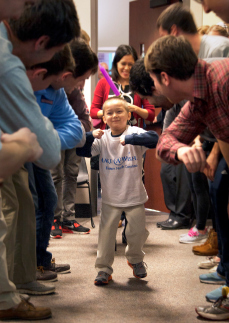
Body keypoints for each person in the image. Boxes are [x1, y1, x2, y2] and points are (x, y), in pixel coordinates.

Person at [145, 35, 229, 321]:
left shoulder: (223, 80)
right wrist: (181, 150)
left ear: (165, 77)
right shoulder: (196, 102)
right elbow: (164, 143)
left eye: (153, 81)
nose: (153, 88)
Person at [0, 0, 80, 298]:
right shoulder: (7, 62)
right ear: (43, 42)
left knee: (28, 202)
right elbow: (47, 152)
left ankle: (15, 284)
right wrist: (26, 142)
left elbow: (71, 131)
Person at [76, 97, 158, 285]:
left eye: (119, 111)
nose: (115, 115)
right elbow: (81, 151)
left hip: (135, 196)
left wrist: (129, 139)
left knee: (136, 233)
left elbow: (154, 139)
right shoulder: (102, 137)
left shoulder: (135, 132)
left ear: (129, 115)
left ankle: (135, 259)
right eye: (109, 113)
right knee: (105, 236)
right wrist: (89, 135)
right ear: (104, 118)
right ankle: (104, 269)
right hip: (110, 199)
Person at [129, 58, 194, 229]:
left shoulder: (188, 95)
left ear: (155, 89)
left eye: (147, 98)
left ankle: (190, 218)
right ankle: (176, 213)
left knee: (184, 164)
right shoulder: (171, 105)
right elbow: (167, 137)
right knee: (167, 167)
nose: (150, 104)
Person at [50, 39, 98, 238]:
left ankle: (68, 217)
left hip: (65, 135)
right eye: (83, 78)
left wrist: (71, 129)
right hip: (51, 139)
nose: (82, 85)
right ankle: (54, 218)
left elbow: (86, 121)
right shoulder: (47, 86)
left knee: (70, 173)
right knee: (55, 176)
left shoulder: (70, 91)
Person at [90, 44, 155, 130]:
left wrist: (135, 109)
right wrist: (109, 112)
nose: (127, 68)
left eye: (130, 64)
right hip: (108, 136)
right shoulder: (104, 83)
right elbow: (93, 111)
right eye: (123, 64)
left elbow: (151, 114)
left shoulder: (140, 83)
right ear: (116, 64)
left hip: (133, 137)